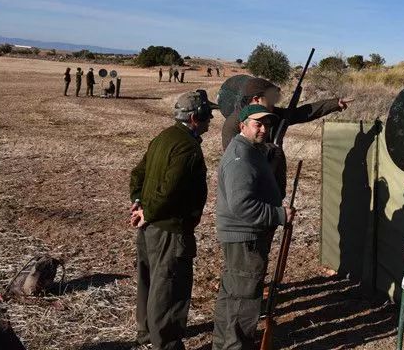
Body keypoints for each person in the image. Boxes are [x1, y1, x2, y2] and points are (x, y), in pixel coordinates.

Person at [129, 90, 218, 350]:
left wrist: (138, 204)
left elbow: (138, 174)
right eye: (207, 114)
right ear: (194, 117)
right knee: (169, 289)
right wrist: (150, 210)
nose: (211, 118)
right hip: (170, 230)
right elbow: (170, 190)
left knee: (148, 281)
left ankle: (146, 336)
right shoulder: (188, 147)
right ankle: (165, 344)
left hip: (149, 228)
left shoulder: (163, 137)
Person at [212, 104, 296, 350]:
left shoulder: (250, 150)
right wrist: (279, 214)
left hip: (243, 238)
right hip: (246, 239)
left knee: (233, 296)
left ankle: (224, 345)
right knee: (244, 300)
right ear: (242, 126)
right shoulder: (241, 156)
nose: (263, 129)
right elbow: (242, 205)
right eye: (257, 124)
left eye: (266, 124)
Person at [221, 77, 352, 192]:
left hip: (274, 185)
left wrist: (334, 104)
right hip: (252, 189)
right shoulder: (233, 124)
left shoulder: (272, 114)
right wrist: (272, 148)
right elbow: (237, 160)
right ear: (256, 99)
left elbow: (302, 113)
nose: (274, 103)